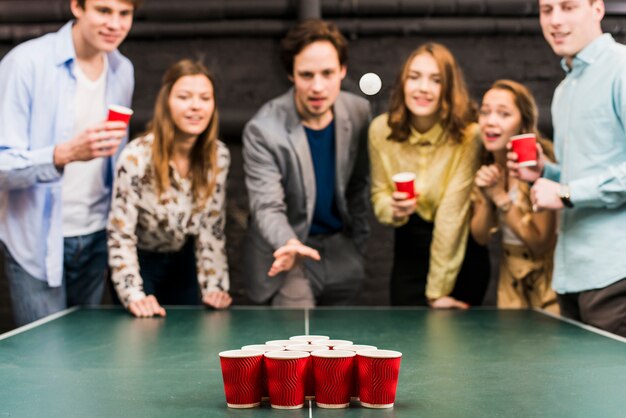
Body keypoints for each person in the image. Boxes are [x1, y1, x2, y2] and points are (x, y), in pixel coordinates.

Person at [0, 0, 140, 326]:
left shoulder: (122, 70)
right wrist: (63, 154)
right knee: (46, 365)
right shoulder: (26, 62)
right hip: (37, 240)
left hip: (96, 237)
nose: (115, 24)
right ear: (77, 6)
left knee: (83, 361)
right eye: (103, 11)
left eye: (124, 14)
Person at [508, 0, 626, 336]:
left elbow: (573, 191)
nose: (555, 20)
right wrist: (547, 174)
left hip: (616, 273)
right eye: (547, 10)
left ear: (597, 10)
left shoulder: (621, 68)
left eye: (568, 7)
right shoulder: (564, 91)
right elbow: (583, 177)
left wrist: (567, 191)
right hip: (571, 275)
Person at [242, 19, 371, 307]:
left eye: (327, 73)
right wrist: (289, 244)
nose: (318, 86)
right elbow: (266, 206)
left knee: (342, 347)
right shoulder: (263, 129)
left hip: (341, 253)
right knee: (297, 344)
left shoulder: (359, 112)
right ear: (291, 74)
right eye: (306, 75)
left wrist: (357, 246)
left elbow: (359, 185)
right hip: (289, 253)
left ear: (343, 70)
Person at [107, 59, 232, 318]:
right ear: (166, 102)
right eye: (184, 97)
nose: (195, 106)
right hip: (141, 260)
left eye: (205, 98)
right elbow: (120, 234)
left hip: (182, 259)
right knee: (140, 339)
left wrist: (214, 286)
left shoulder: (219, 156)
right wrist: (134, 294)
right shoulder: (136, 157)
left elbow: (212, 228)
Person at [369, 43, 489, 308]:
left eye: (436, 80)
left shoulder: (470, 135)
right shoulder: (380, 130)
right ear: (403, 83)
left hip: (460, 255)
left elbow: (451, 216)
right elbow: (378, 194)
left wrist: (436, 292)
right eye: (414, 77)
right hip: (408, 254)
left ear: (448, 88)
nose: (423, 88)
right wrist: (393, 209)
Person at [472, 80, 559, 313]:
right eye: (485, 112)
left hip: (547, 284)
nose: (491, 121)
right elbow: (480, 236)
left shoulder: (541, 167)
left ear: (523, 123)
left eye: (504, 114)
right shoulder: (488, 165)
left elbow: (540, 243)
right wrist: (487, 193)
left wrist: (501, 197)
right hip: (510, 281)